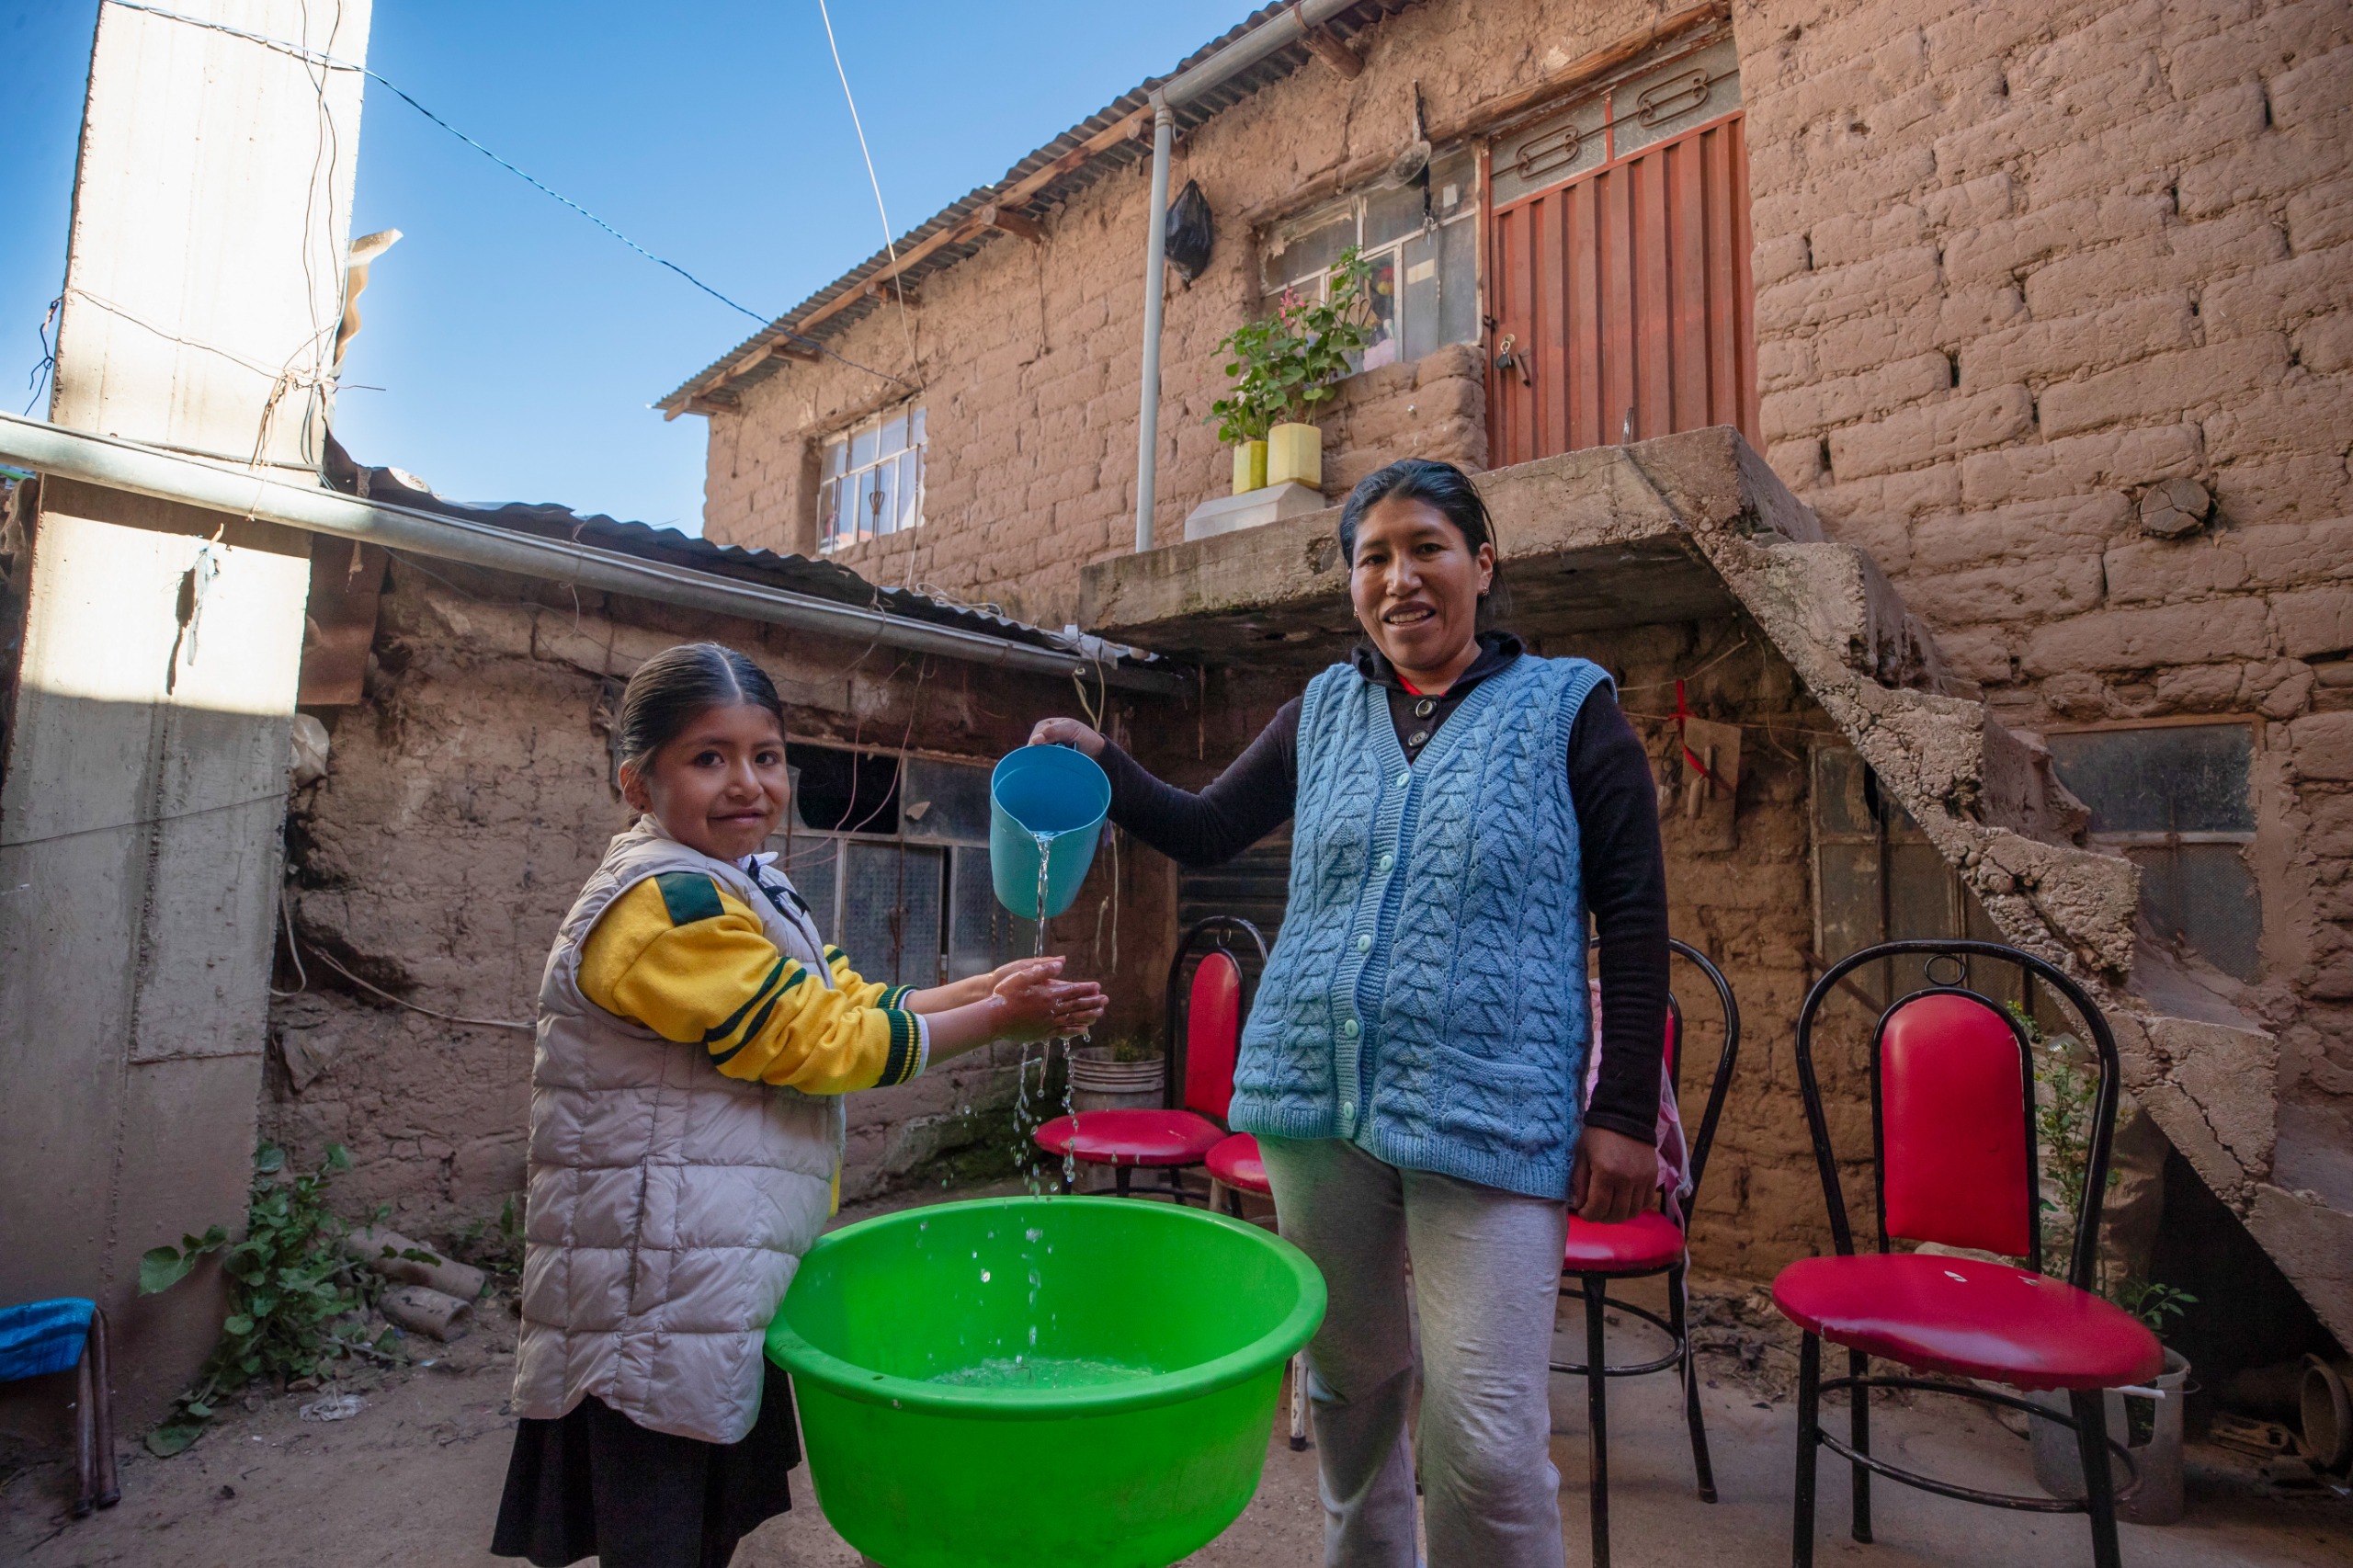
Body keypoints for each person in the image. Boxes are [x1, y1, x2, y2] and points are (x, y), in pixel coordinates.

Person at [1030, 459, 1670, 1568]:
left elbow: (1634, 915)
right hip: (1311, 1103)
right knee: (1350, 1390)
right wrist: (1105, 764)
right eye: (1372, 556)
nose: (1400, 577)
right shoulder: (1320, 712)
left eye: (1426, 546)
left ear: (1483, 561)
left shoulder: (1571, 709)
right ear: (1350, 586)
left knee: (1488, 1439)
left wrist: (1618, 1111)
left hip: (1494, 1112)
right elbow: (1205, 829)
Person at [494, 641, 1106, 1568]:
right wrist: (993, 1019)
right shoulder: (662, 906)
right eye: (709, 757)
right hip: (650, 1281)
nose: (747, 781)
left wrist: (990, 992)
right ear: (636, 782)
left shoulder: (742, 880)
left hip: (703, 1269)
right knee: (658, 1528)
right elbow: (811, 1044)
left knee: (699, 1526)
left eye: (766, 754)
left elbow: (842, 1000)